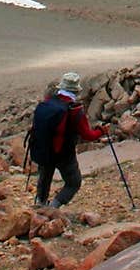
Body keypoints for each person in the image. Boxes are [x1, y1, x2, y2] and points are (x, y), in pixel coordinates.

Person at [33, 71, 106, 208]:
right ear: (76, 90)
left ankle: (40, 204)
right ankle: (53, 207)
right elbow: (87, 135)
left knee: (45, 178)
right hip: (64, 154)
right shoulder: (74, 110)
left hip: (44, 149)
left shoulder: (48, 102)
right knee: (73, 182)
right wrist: (101, 131)